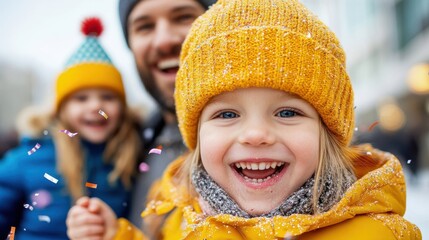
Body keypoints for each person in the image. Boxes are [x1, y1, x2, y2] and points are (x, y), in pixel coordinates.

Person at [66, 0, 422, 239]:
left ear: (328, 131)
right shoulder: (182, 215)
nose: (255, 134)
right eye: (226, 114)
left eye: (287, 112)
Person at [0, 17, 141, 240]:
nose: (96, 106)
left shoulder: (132, 155)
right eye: (81, 98)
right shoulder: (26, 160)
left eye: (107, 97)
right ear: (61, 109)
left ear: (122, 108)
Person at [118, 0, 216, 227]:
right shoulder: (125, 151)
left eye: (183, 17)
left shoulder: (266, 149)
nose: (164, 40)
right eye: (144, 26)